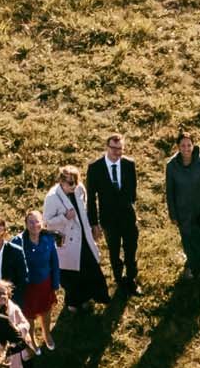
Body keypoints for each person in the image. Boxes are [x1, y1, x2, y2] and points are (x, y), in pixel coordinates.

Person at [42, 165, 109, 312]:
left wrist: (91, 227)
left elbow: (84, 208)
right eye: (70, 183)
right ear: (61, 181)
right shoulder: (52, 197)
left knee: (89, 266)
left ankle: (91, 298)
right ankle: (73, 303)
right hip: (67, 242)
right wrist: (64, 217)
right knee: (71, 275)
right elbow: (46, 222)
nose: (74, 186)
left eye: (76, 182)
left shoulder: (79, 189)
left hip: (83, 237)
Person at [85, 133, 140, 295]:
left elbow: (133, 193)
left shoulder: (129, 164)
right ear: (107, 147)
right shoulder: (95, 168)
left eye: (120, 149)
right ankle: (118, 279)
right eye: (114, 148)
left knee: (131, 249)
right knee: (114, 251)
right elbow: (91, 199)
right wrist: (94, 223)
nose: (117, 152)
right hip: (108, 219)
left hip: (128, 217)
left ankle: (131, 279)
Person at [166, 129, 200, 279]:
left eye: (189, 145)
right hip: (183, 213)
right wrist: (173, 214)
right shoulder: (171, 166)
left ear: (193, 145)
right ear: (178, 147)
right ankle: (194, 266)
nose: (186, 149)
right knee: (189, 241)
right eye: (183, 145)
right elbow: (169, 192)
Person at [16, 210, 62, 351]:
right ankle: (32, 339)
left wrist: (55, 282)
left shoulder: (48, 239)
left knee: (46, 310)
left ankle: (46, 334)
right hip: (28, 287)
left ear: (42, 223)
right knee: (29, 315)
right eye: (31, 222)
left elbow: (54, 262)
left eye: (37, 221)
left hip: (45, 283)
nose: (34, 225)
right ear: (25, 224)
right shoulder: (18, 242)